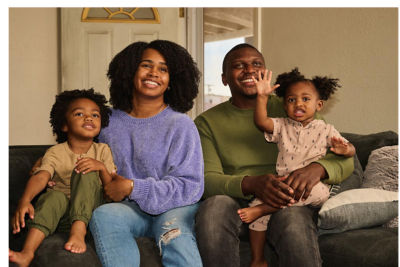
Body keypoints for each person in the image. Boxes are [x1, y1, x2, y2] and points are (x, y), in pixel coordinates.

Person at [194, 43, 354, 267]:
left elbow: (345, 159)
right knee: (213, 209)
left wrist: (318, 169)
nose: (249, 70)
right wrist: (252, 184)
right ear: (224, 78)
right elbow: (207, 180)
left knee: (293, 219)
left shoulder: (295, 105)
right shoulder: (206, 122)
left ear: (265, 72)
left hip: (290, 197)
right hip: (237, 199)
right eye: (239, 66)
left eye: (256, 64)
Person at [88, 40, 204, 267]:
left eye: (163, 69)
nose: (154, 73)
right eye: (146, 65)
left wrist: (133, 187)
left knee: (175, 233)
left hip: (175, 207)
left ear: (172, 81)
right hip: (129, 210)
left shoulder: (181, 125)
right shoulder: (106, 121)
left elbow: (190, 186)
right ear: (130, 71)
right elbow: (80, 148)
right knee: (104, 215)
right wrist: (49, 162)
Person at [237, 68, 355, 267]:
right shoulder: (282, 125)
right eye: (292, 100)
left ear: (319, 105)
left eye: (305, 99)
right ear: (284, 105)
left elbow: (350, 149)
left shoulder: (325, 129)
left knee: (314, 193)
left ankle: (266, 208)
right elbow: (261, 122)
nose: (298, 104)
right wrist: (262, 97)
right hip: (284, 182)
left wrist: (345, 149)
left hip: (312, 187)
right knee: (255, 206)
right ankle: (258, 259)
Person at [9, 89, 116, 267]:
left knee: (86, 168)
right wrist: (25, 200)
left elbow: (111, 190)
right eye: (79, 114)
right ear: (64, 125)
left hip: (93, 211)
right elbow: (42, 176)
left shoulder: (102, 150)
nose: (89, 118)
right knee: (54, 196)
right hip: (63, 216)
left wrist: (101, 168)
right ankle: (27, 253)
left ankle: (79, 229)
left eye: (95, 115)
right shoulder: (55, 152)